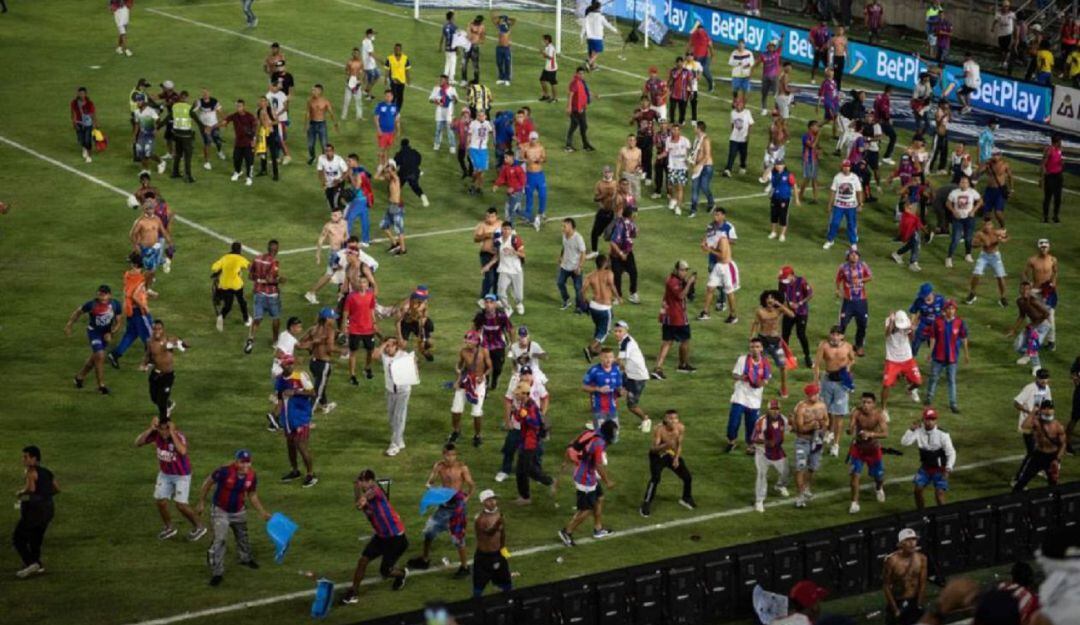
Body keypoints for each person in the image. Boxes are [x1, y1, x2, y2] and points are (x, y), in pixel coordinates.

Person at [196, 450, 272, 587]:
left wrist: (263, 512)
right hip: (221, 510)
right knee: (220, 539)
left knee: (242, 535)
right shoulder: (224, 471)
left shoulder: (252, 476)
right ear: (236, 461)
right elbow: (208, 483)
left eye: (247, 462)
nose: (245, 465)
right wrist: (201, 502)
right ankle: (217, 572)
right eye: (242, 462)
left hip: (238, 510)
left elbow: (252, 495)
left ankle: (245, 558)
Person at [340, 469, 409, 603]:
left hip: (396, 538)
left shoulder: (376, 491)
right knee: (362, 561)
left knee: (385, 571)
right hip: (381, 537)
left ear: (371, 481)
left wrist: (357, 489)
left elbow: (362, 501)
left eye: (364, 481)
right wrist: (357, 489)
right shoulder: (366, 495)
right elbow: (359, 505)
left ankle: (402, 574)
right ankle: (353, 591)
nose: (362, 483)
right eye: (361, 481)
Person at [135, 416, 206, 541]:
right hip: (165, 474)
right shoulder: (156, 435)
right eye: (161, 429)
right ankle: (169, 528)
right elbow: (138, 443)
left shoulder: (178, 436)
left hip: (181, 475)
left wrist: (172, 433)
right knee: (160, 501)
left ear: (172, 427)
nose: (163, 432)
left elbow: (183, 451)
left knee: (181, 505)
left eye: (166, 429)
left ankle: (199, 527)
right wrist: (150, 429)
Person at [409, 443, 475, 575]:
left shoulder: (462, 468)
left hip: (457, 508)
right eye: (448, 455)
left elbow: (471, 484)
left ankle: (465, 567)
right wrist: (429, 486)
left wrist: (467, 498)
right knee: (428, 531)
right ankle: (425, 559)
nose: (450, 458)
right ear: (443, 455)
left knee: (458, 538)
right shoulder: (439, 466)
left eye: (453, 455)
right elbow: (430, 481)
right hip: (444, 507)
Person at [558, 420, 617, 546]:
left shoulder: (591, 432)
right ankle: (567, 531)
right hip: (585, 479)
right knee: (586, 509)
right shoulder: (599, 443)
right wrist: (608, 482)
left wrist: (567, 460)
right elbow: (598, 465)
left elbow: (573, 444)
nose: (615, 434)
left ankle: (598, 529)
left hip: (585, 474)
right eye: (614, 432)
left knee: (599, 498)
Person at [65, 285, 122, 395]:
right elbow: (78, 312)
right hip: (94, 332)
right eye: (100, 293)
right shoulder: (91, 305)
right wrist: (69, 324)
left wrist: (111, 332)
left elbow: (118, 321)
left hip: (105, 334)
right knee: (100, 355)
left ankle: (79, 377)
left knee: (94, 358)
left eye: (105, 294)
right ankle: (101, 385)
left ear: (109, 295)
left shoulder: (115, 304)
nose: (102, 296)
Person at [13, 446, 59, 579]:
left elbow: (31, 489)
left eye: (26, 457)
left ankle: (31, 563)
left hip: (36, 509)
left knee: (18, 538)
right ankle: (38, 565)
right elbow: (56, 488)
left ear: (34, 458)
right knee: (36, 537)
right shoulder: (47, 472)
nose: (23, 459)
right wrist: (45, 495)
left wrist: (20, 492)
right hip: (49, 508)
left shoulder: (30, 471)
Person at [639, 409, 694, 517]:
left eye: (675, 418)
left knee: (687, 477)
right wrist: (666, 445)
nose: (673, 421)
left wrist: (676, 458)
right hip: (657, 456)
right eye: (670, 418)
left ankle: (686, 498)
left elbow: (679, 445)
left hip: (671, 454)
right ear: (665, 419)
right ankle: (646, 503)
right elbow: (654, 449)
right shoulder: (659, 430)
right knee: (655, 479)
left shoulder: (681, 428)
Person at [274, 355, 317, 487]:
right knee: (290, 445)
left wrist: (296, 392)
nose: (290, 366)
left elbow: (312, 393)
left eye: (291, 363)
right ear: (282, 365)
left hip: (301, 417)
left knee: (301, 445)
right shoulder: (280, 380)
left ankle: (310, 474)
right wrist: (275, 415)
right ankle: (295, 470)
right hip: (287, 418)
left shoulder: (301, 376)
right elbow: (280, 398)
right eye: (287, 364)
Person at [814, 325, 856, 457]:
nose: (835, 337)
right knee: (825, 410)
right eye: (833, 334)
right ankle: (827, 432)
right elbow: (817, 365)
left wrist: (848, 368)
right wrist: (816, 382)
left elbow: (852, 359)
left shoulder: (848, 346)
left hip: (842, 384)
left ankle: (835, 445)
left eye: (838, 334)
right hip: (827, 381)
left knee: (839, 415)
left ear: (842, 336)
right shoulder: (824, 346)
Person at [901, 407, 955, 509]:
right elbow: (904, 443)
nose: (930, 422)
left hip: (940, 469)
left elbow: (951, 453)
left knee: (939, 494)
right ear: (923, 420)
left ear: (936, 420)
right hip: (925, 468)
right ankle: (922, 514)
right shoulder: (918, 430)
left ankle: (944, 516)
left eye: (932, 419)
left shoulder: (943, 434)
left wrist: (948, 468)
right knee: (917, 490)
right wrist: (911, 430)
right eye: (927, 419)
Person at [509, 382, 553, 504]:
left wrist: (525, 415)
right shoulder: (524, 404)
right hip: (524, 441)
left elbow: (535, 424)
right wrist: (515, 412)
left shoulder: (531, 406)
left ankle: (546, 483)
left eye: (518, 394)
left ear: (525, 394)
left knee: (524, 470)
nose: (516, 396)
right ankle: (527, 495)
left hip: (530, 442)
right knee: (524, 470)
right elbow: (519, 418)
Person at [726, 338, 772, 454]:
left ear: (761, 348)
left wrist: (758, 384)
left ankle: (750, 445)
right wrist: (744, 378)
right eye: (752, 347)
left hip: (754, 399)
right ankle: (732, 441)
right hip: (740, 395)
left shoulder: (765, 362)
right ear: (749, 348)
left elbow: (766, 379)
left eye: (757, 347)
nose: (755, 349)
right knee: (733, 421)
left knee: (751, 424)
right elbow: (734, 374)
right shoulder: (742, 360)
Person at [653, 261, 696, 379]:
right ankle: (682, 365)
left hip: (668, 316)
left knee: (668, 342)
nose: (685, 272)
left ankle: (658, 368)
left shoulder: (675, 280)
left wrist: (689, 284)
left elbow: (688, 295)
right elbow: (681, 296)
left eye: (686, 270)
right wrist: (690, 283)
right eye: (683, 270)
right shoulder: (673, 282)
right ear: (676, 269)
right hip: (677, 316)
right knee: (685, 340)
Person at [452, 327, 494, 448]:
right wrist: (458, 378)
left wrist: (483, 376)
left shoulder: (484, 351)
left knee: (476, 412)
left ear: (476, 341)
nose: (467, 343)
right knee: (456, 410)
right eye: (466, 341)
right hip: (465, 380)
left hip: (478, 383)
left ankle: (477, 435)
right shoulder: (463, 351)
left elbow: (490, 367)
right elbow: (459, 366)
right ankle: (456, 431)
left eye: (470, 341)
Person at [847, 392, 888, 514]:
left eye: (868, 402)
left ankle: (879, 488)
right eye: (863, 402)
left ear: (874, 404)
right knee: (855, 474)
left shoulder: (879, 415)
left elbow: (885, 433)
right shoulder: (856, 412)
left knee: (879, 477)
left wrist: (871, 434)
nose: (865, 405)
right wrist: (850, 430)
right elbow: (851, 427)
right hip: (858, 449)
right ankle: (854, 502)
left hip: (873, 450)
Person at [926, 300, 969, 414]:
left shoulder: (959, 322)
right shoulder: (937, 322)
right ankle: (929, 399)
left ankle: (953, 404)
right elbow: (933, 338)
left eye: (953, 309)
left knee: (952, 381)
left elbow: (964, 338)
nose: (951, 311)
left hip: (952, 357)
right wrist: (930, 353)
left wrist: (966, 354)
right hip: (938, 356)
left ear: (955, 310)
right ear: (945, 310)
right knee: (933, 378)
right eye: (949, 309)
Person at [1013, 400, 1066, 491]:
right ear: (1041, 410)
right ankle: (1013, 501)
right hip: (1038, 455)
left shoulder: (1058, 426)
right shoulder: (1036, 422)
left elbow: (1063, 444)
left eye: (1050, 408)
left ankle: (1056, 503)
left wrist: (1057, 459)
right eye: (1045, 408)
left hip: (1051, 457)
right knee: (1022, 481)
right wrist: (1033, 411)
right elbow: (1024, 426)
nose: (1048, 411)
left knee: (1053, 484)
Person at [374, 338, 415, 456]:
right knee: (392, 417)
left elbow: (413, 367)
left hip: (403, 391)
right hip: (390, 390)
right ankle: (399, 440)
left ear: (396, 346)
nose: (388, 348)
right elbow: (375, 355)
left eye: (390, 346)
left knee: (399, 417)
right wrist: (384, 344)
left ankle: (395, 444)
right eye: (387, 346)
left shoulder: (403, 355)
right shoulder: (384, 355)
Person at [698, 211, 740, 323]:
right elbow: (706, 240)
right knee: (710, 288)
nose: (711, 233)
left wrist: (709, 250)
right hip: (718, 266)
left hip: (726, 267)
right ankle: (705, 312)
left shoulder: (723, 239)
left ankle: (733, 315)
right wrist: (704, 244)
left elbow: (723, 255)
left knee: (729, 292)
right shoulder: (714, 235)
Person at [751, 400, 791, 512]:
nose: (775, 411)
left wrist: (793, 422)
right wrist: (767, 443)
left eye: (777, 409)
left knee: (786, 472)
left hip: (777, 450)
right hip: (762, 452)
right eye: (773, 409)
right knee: (762, 475)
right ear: (768, 410)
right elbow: (753, 439)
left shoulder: (782, 419)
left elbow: (789, 429)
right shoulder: (761, 421)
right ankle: (759, 501)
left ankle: (779, 486)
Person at [883, 528, 928, 625]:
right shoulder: (891, 561)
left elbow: (922, 583)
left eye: (914, 539)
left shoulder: (922, 558)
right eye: (908, 540)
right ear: (900, 544)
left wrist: (919, 604)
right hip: (898, 601)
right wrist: (895, 609)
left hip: (914, 601)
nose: (912, 543)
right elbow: (886, 586)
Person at [792, 384, 827, 508]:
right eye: (813, 394)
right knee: (800, 467)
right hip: (803, 441)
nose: (816, 396)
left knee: (812, 467)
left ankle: (806, 487)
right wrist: (811, 426)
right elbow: (799, 427)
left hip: (817, 441)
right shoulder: (801, 408)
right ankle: (800, 495)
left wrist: (823, 426)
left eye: (817, 393)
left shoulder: (822, 405)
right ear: (808, 395)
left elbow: (827, 420)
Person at [143, 319, 186, 420]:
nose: (157, 331)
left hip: (167, 376)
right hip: (155, 374)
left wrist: (183, 343)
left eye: (159, 329)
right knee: (154, 398)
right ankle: (169, 404)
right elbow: (148, 355)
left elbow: (182, 344)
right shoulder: (150, 342)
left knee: (161, 400)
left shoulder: (169, 341)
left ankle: (164, 421)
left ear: (163, 330)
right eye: (155, 329)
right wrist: (144, 364)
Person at [880, 311, 921, 413]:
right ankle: (884, 409)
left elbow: (911, 339)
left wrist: (912, 330)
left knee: (918, 382)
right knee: (886, 385)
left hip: (907, 358)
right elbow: (887, 334)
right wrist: (892, 322)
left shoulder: (906, 323)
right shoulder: (889, 322)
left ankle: (910, 390)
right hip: (892, 360)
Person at [246, 240, 282, 355]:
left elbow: (250, 276)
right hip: (271, 295)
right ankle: (275, 342)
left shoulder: (257, 258)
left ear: (268, 248)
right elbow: (271, 280)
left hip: (258, 292)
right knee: (276, 318)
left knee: (257, 318)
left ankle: (251, 338)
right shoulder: (274, 262)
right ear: (276, 250)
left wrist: (259, 280)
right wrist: (280, 280)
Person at [472, 490, 511, 597]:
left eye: (493, 499)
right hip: (484, 557)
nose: (493, 502)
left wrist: (503, 549)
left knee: (506, 583)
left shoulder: (498, 514)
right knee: (478, 587)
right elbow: (488, 533)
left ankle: (508, 601)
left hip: (498, 554)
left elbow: (502, 533)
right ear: (483, 502)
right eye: (489, 500)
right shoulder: (480, 519)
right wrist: (498, 523)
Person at [1008, 281, 1052, 376]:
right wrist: (1013, 330)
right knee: (1017, 346)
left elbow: (1046, 314)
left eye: (1027, 289)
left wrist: (1034, 325)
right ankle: (1028, 355)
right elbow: (1022, 316)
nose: (1024, 291)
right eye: (1022, 289)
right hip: (1032, 325)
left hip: (1043, 326)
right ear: (1019, 289)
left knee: (1033, 345)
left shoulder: (1033, 301)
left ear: (1030, 290)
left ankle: (1037, 367)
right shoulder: (1019, 301)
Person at [613, 321, 650, 432]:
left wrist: (604, 365)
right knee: (612, 394)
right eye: (615, 331)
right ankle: (607, 421)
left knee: (632, 405)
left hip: (637, 378)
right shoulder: (624, 341)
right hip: (629, 374)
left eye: (620, 331)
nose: (617, 333)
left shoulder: (626, 342)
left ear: (626, 331)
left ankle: (645, 419)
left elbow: (618, 361)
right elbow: (622, 362)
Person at [836, 247, 872, 356]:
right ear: (848, 256)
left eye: (856, 254)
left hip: (861, 301)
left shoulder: (863, 265)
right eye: (852, 254)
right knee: (843, 323)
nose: (855, 256)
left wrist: (861, 280)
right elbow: (838, 279)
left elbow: (870, 276)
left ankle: (859, 346)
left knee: (862, 325)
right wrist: (837, 290)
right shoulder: (843, 267)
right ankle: (838, 343)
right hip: (848, 301)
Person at [1024, 238, 1058, 351]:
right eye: (1042, 247)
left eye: (1046, 247)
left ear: (1049, 247)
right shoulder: (1032, 260)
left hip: (1048, 294)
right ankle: (1031, 339)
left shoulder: (1053, 260)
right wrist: (1027, 285)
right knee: (1032, 317)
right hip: (1035, 291)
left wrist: (1053, 284)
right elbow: (1025, 273)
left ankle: (1051, 341)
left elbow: (1055, 272)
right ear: (1039, 247)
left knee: (1050, 317)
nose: (1044, 249)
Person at [965, 220, 1010, 307]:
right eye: (985, 224)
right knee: (976, 274)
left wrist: (1003, 239)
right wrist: (981, 243)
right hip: (984, 256)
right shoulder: (979, 234)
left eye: (989, 224)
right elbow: (973, 245)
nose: (987, 226)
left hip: (995, 257)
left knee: (1000, 276)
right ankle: (972, 294)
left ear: (992, 225)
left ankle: (1003, 298)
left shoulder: (997, 232)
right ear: (983, 225)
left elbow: (1007, 237)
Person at [343, 274, 378, 384]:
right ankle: (352, 375)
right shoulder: (351, 297)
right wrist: (345, 325)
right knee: (353, 352)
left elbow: (371, 309)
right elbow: (346, 312)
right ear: (357, 284)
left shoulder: (370, 295)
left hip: (368, 328)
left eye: (364, 282)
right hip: (355, 329)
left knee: (370, 350)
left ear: (367, 284)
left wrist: (374, 322)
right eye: (360, 282)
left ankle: (367, 368)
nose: (362, 285)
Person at [211, 241, 251, 332]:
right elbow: (249, 266)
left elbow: (214, 267)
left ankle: (221, 316)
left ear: (232, 249)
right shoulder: (240, 258)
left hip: (224, 285)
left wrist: (222, 269)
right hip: (236, 285)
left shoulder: (224, 258)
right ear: (240, 250)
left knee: (228, 305)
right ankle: (246, 320)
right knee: (242, 302)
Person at [1015, 368, 1053, 461]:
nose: (1044, 381)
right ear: (1036, 378)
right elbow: (1016, 403)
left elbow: (1048, 403)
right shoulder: (1029, 388)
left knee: (1040, 448)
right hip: (1027, 424)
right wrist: (1028, 412)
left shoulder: (1047, 388)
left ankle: (1037, 468)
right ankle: (1023, 473)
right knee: (1032, 451)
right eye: (1041, 378)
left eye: (1046, 378)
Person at [582, 255, 617, 359]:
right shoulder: (609, 273)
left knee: (599, 327)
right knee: (605, 331)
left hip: (593, 306)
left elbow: (582, 291)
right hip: (604, 308)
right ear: (605, 263)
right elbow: (612, 286)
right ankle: (590, 348)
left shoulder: (590, 275)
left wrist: (586, 301)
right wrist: (618, 297)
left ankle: (595, 351)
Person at [778, 266, 813, 369]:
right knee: (785, 335)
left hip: (801, 312)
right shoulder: (782, 283)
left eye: (785, 278)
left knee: (801, 334)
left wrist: (800, 303)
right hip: (789, 312)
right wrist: (786, 305)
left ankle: (807, 357)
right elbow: (781, 296)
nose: (784, 281)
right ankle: (786, 357)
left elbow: (810, 294)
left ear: (791, 275)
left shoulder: (801, 281)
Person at [823, 160, 863, 249]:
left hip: (851, 206)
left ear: (850, 167)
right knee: (834, 223)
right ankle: (830, 240)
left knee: (851, 224)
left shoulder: (854, 177)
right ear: (842, 167)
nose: (846, 168)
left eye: (847, 166)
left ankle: (853, 242)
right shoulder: (837, 177)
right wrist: (830, 204)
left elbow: (859, 191)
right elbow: (833, 191)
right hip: (838, 205)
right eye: (844, 166)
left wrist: (860, 204)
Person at [583, 347, 623, 435]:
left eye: (611, 357)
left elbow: (619, 387)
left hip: (612, 407)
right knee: (600, 434)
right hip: (598, 408)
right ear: (601, 357)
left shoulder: (616, 370)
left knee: (614, 434)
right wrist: (598, 389)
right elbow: (584, 387)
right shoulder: (594, 370)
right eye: (606, 357)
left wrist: (621, 392)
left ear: (613, 358)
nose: (608, 360)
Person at [218, 99, 258, 186]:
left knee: (249, 161)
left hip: (248, 143)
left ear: (244, 107)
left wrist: (254, 140)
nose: (238, 108)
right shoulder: (234, 116)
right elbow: (225, 121)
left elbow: (254, 128)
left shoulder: (250, 116)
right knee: (236, 159)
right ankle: (237, 172)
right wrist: (215, 126)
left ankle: (248, 177)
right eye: (237, 106)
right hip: (238, 143)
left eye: (240, 106)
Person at [609, 202, 639, 304]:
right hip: (617, 255)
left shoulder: (631, 224)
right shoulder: (620, 225)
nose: (636, 215)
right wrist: (621, 254)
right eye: (635, 213)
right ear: (631, 214)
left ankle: (633, 293)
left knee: (633, 272)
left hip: (627, 253)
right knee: (617, 276)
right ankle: (618, 296)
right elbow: (613, 242)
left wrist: (635, 232)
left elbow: (632, 236)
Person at [376, 160, 407, 255]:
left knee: (399, 230)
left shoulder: (396, 178)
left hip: (397, 207)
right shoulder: (389, 180)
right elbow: (376, 176)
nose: (387, 171)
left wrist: (388, 166)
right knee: (383, 226)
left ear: (393, 169)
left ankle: (403, 250)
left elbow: (392, 173)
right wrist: (384, 166)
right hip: (391, 207)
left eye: (390, 168)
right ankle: (394, 243)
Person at [557, 217, 586, 311]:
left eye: (564, 226)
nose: (562, 228)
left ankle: (579, 307)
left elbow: (583, 253)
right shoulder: (564, 235)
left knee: (578, 288)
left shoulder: (578, 238)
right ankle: (566, 300)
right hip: (565, 266)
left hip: (575, 268)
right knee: (560, 283)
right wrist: (561, 256)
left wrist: (579, 267)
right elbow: (564, 246)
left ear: (570, 226)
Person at [768, 159, 800, 241]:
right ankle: (773, 232)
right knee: (774, 215)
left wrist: (797, 199)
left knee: (783, 216)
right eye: (777, 164)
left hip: (784, 198)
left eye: (780, 164)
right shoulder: (773, 174)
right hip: (774, 197)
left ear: (784, 165)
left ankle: (782, 234)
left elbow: (795, 186)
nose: (779, 166)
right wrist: (769, 168)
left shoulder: (788, 175)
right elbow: (766, 180)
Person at [580, 0, 617, 71]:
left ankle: (592, 65)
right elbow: (607, 25)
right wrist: (615, 30)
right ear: (598, 8)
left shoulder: (588, 15)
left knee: (592, 51)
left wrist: (581, 36)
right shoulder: (600, 17)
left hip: (589, 37)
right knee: (597, 52)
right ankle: (589, 63)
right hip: (597, 37)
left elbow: (584, 26)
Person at [722, 98, 754, 177]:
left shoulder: (747, 112)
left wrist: (748, 135)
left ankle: (742, 166)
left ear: (743, 104)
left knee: (743, 154)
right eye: (736, 103)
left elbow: (750, 124)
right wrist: (733, 132)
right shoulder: (732, 113)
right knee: (732, 154)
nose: (738, 105)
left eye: (740, 103)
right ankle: (728, 169)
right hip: (734, 138)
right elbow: (732, 124)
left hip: (743, 138)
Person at [565, 67, 594, 152]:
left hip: (581, 108)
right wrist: (569, 107)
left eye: (583, 73)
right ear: (576, 73)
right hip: (575, 109)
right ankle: (568, 145)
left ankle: (585, 145)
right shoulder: (575, 82)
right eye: (580, 73)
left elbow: (585, 92)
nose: (582, 75)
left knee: (584, 126)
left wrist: (593, 95)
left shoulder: (581, 82)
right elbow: (570, 95)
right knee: (574, 125)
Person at [688, 122, 714, 217]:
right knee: (694, 188)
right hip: (697, 166)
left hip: (706, 167)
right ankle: (693, 209)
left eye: (695, 127)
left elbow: (707, 155)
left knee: (704, 186)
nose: (693, 128)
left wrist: (699, 165)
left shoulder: (706, 140)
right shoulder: (696, 139)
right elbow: (694, 152)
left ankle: (711, 202)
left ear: (699, 129)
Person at [492, 154, 526, 226]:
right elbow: (502, 177)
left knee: (510, 210)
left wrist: (514, 188)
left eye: (506, 157)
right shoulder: (505, 167)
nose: (504, 159)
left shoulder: (518, 168)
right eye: (504, 157)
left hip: (517, 193)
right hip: (510, 192)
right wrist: (496, 184)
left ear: (512, 157)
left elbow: (523, 182)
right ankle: (533, 219)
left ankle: (510, 228)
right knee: (515, 210)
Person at [467, 109, 494, 195]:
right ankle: (473, 185)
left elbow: (491, 131)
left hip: (483, 150)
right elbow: (469, 134)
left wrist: (493, 140)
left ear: (485, 116)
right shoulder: (473, 123)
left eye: (482, 115)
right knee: (478, 169)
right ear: (477, 116)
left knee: (481, 171)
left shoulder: (487, 123)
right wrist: (468, 144)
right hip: (474, 149)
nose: (480, 117)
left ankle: (478, 187)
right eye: (479, 115)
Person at [429, 74, 459, 152]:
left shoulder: (452, 89)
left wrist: (454, 98)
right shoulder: (436, 88)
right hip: (439, 113)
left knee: (450, 131)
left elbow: (456, 101)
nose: (441, 81)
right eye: (440, 80)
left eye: (442, 80)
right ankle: (437, 144)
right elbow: (430, 99)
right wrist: (437, 100)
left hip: (449, 114)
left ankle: (452, 146)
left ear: (446, 81)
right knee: (438, 130)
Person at [316, 143, 348, 210]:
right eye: (326, 151)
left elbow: (346, 172)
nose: (328, 153)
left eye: (330, 151)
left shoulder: (339, 159)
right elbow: (320, 170)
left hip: (339, 183)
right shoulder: (321, 158)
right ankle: (342, 208)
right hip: (329, 184)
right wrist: (323, 181)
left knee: (335, 201)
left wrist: (339, 180)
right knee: (330, 201)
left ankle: (339, 215)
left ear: (333, 151)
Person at [1040, 134, 1064, 223]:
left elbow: (1059, 159)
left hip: (1058, 176)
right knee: (1048, 197)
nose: (1061, 143)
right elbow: (1043, 164)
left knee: (1058, 197)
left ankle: (1055, 216)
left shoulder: (1060, 150)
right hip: (1050, 176)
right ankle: (1046, 217)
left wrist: (1061, 163)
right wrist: (1042, 178)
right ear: (1057, 142)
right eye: (1060, 141)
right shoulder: (1049, 150)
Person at [70, 87, 96, 164]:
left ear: (85, 94)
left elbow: (92, 114)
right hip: (79, 123)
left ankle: (89, 156)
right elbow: (73, 113)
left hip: (88, 124)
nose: (81, 95)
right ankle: (84, 148)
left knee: (87, 140)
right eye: (80, 93)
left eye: (82, 93)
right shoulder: (74, 103)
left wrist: (95, 123)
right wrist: (74, 122)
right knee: (81, 140)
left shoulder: (89, 103)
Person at [384, 43, 411, 110]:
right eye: (396, 49)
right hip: (393, 80)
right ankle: (391, 110)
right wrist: (386, 78)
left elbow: (407, 70)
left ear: (401, 50)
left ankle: (397, 111)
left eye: (399, 49)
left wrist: (408, 79)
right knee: (394, 96)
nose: (397, 50)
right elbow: (387, 69)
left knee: (400, 97)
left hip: (402, 81)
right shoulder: (389, 58)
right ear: (394, 49)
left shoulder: (405, 58)